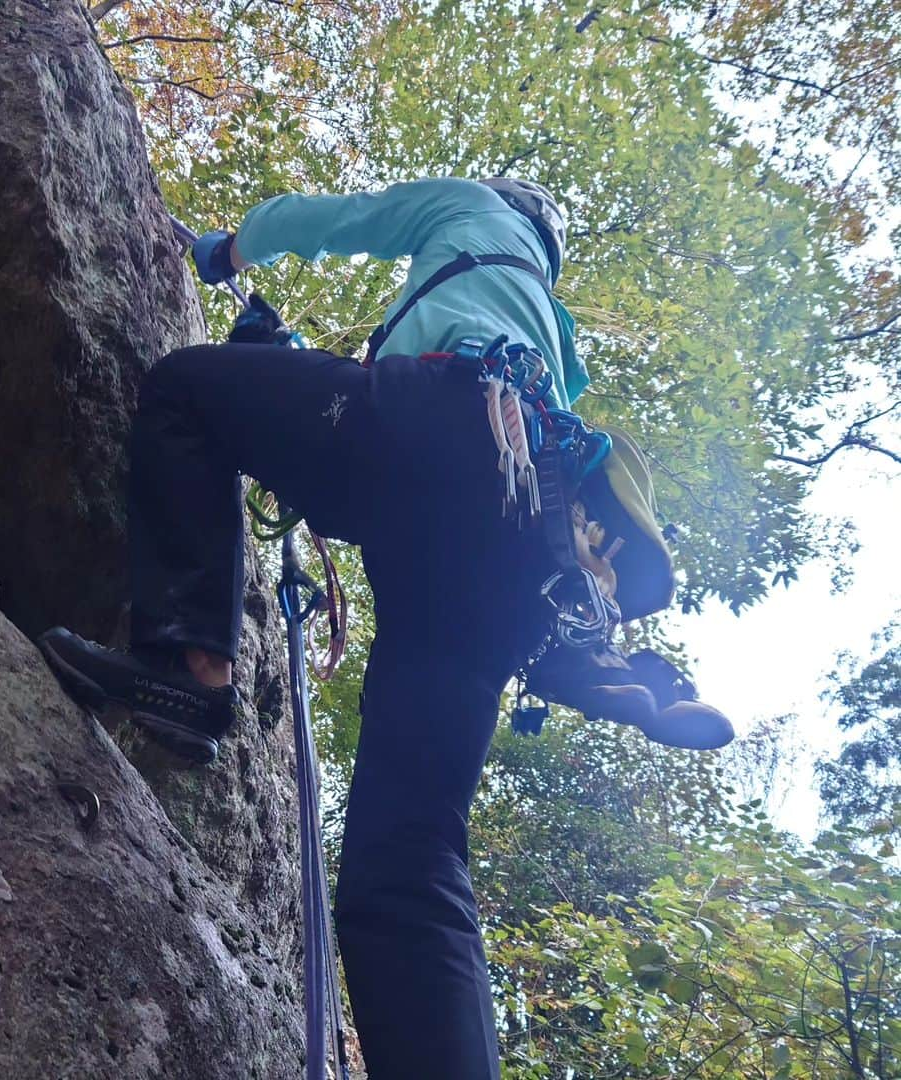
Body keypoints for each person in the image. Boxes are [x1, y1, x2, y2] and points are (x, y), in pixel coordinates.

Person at [38, 176, 723, 1078]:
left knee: (188, 390)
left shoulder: (472, 212)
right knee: (408, 866)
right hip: (520, 554)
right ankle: (586, 655)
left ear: (507, 205)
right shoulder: (552, 335)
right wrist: (285, 360)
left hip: (437, 437)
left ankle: (192, 671)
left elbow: (328, 222)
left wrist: (224, 251)